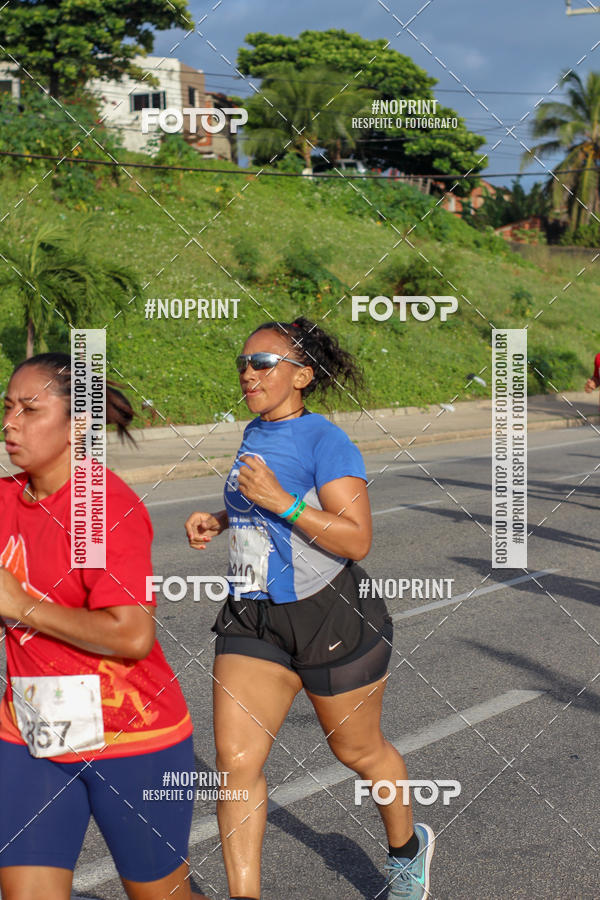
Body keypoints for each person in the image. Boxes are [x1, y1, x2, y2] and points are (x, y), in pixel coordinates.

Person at [185, 318, 434, 900]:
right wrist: (221, 519)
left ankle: (407, 852)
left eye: (263, 363)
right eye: (243, 363)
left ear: (301, 375)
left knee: (358, 751)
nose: (248, 373)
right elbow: (261, 505)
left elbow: (355, 539)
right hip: (253, 613)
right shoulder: (254, 431)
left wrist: (283, 500)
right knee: (236, 762)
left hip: (329, 614)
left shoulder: (327, 440)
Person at [0, 353, 208, 900]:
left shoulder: (101, 506)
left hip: (133, 736)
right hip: (31, 732)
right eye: (7, 407)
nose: (10, 423)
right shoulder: (5, 500)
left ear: (78, 425)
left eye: (29, 409)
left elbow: (131, 633)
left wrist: (21, 605)